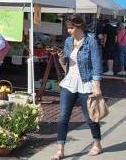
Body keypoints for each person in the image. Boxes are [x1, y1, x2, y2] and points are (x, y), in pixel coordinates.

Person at [51, 15, 103, 160]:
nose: (69, 31)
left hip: (86, 83)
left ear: (79, 26)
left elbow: (97, 64)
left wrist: (96, 85)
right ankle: (60, 149)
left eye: (71, 28)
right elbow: (65, 65)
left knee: (90, 117)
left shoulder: (90, 41)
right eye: (68, 28)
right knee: (62, 117)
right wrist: (61, 57)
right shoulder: (68, 41)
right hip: (69, 82)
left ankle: (97, 144)